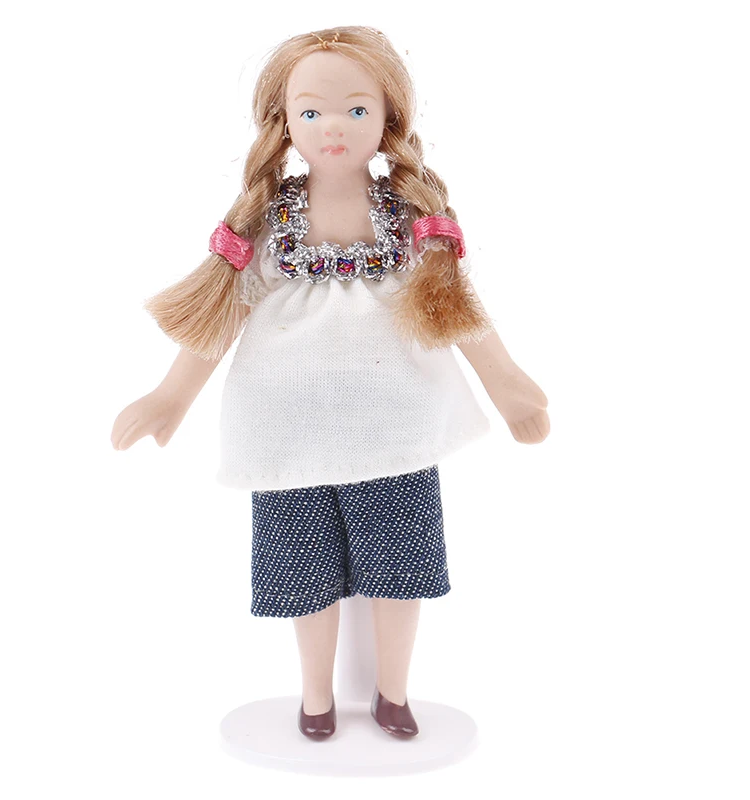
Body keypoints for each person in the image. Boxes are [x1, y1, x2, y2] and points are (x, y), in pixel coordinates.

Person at [111, 26, 550, 740]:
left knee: (400, 569)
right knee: (303, 573)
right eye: (311, 111)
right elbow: (223, 312)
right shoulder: (266, 219)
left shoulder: (409, 217)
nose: (333, 127)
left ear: (388, 117)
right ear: (284, 122)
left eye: (355, 109)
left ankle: (393, 692)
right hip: (287, 433)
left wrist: (507, 384)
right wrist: (171, 397)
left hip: (396, 430)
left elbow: (453, 308)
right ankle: (315, 696)